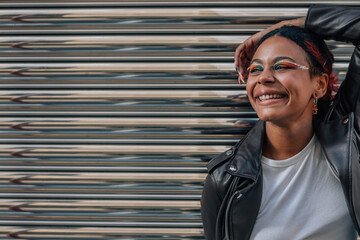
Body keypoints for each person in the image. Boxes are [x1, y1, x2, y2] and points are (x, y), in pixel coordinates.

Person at [201, 5, 360, 240]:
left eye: (283, 66)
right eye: (254, 70)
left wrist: (285, 27)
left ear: (320, 85)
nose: (264, 78)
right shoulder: (224, 180)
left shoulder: (350, 142)